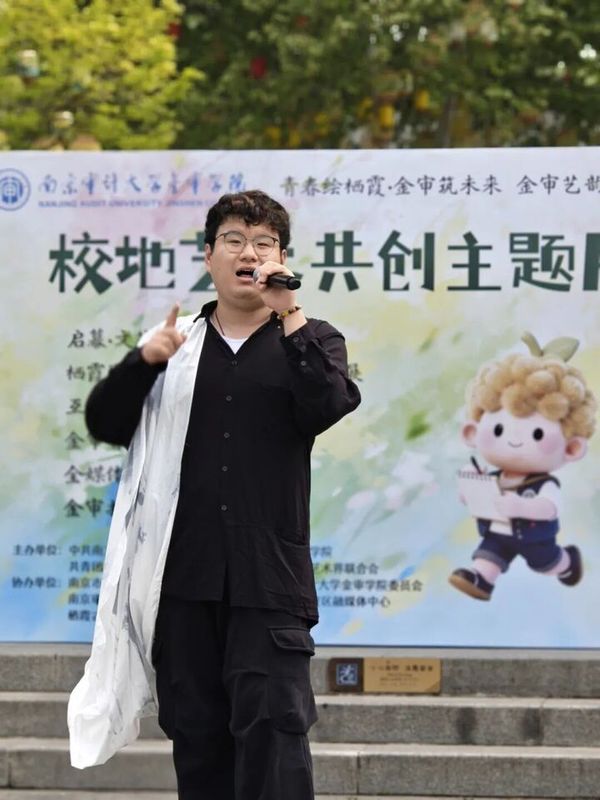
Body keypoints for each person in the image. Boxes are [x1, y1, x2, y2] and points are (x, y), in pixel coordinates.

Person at [81, 190, 361, 799]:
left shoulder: (309, 338)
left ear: (281, 257)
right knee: (198, 741)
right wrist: (144, 362)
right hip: (185, 582)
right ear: (209, 256)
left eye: (264, 243)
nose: (249, 253)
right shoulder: (175, 344)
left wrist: (289, 312)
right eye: (234, 240)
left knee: (275, 736)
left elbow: (329, 403)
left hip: (269, 583)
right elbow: (104, 422)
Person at [449, 333, 596, 601]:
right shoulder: (494, 477)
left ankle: (568, 562)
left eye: (537, 434)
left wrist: (522, 507)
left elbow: (550, 508)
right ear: (472, 432)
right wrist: (471, 488)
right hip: (496, 533)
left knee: (547, 564)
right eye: (499, 429)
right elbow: (469, 499)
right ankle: (481, 580)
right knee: (488, 555)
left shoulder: (545, 484)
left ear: (572, 448)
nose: (514, 440)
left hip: (535, 539)